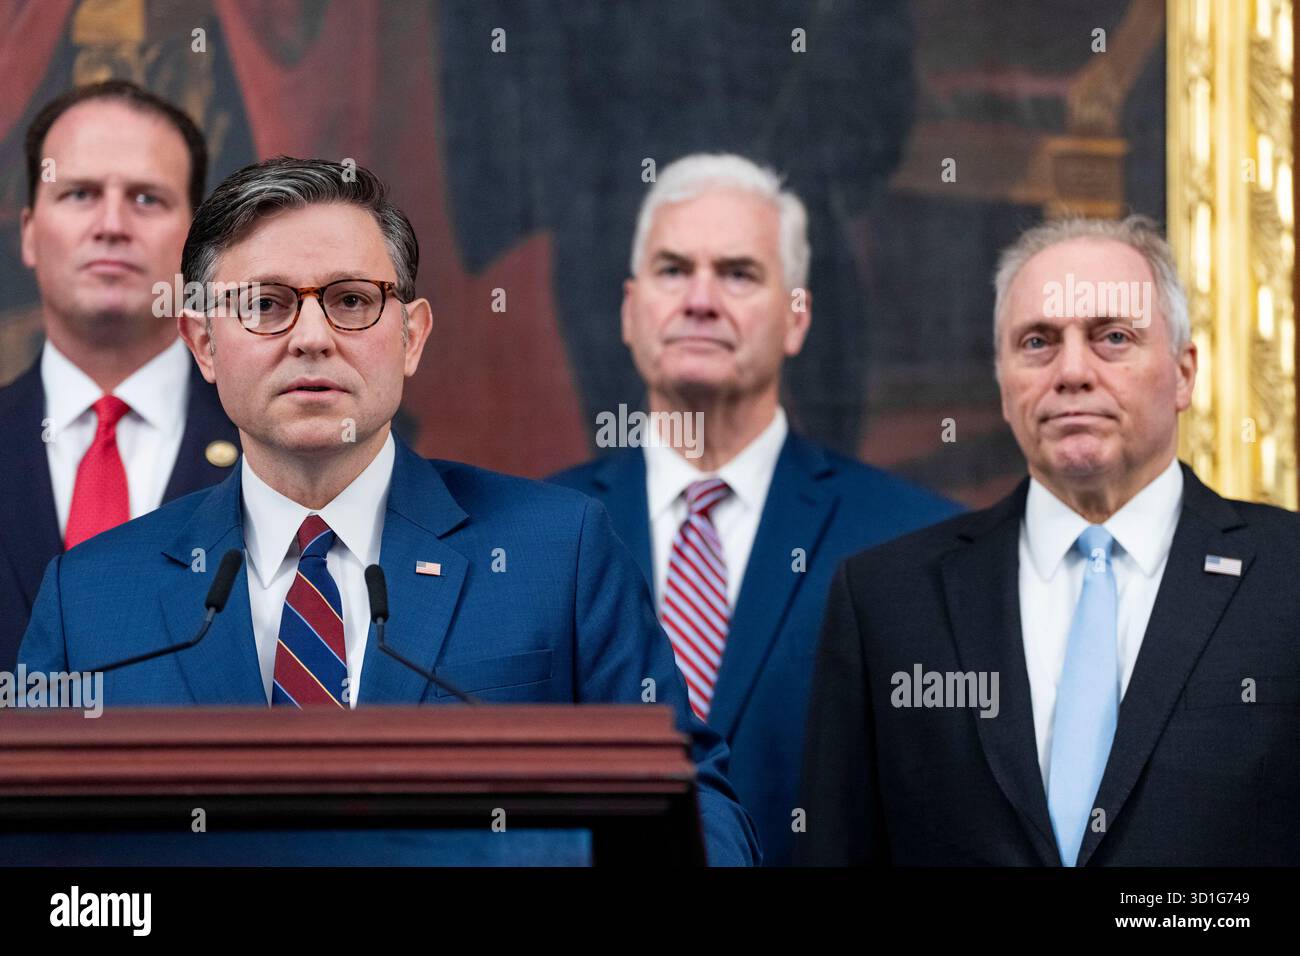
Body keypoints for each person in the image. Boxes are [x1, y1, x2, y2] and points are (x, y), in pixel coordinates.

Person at [19, 156, 759, 866]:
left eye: (351, 301)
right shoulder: (89, 600)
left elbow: (693, 801)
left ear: (411, 336)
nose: (313, 339)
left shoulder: (558, 553)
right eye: (267, 305)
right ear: (203, 342)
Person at [797, 216, 1300, 866]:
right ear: (1003, 382)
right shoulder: (887, 601)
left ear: (1183, 373)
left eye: (1112, 337)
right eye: (1037, 342)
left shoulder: (1287, 580)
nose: (1071, 372)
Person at [550, 154, 959, 865]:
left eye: (739, 274)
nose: (700, 300)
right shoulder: (538, 534)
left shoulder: (910, 541)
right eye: (673, 270)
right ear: (629, 309)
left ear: (797, 318)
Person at [0, 80, 238, 668]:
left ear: (196, 245)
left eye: (146, 199)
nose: (111, 225)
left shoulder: (278, 449)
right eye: (79, 194)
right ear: (29, 232)